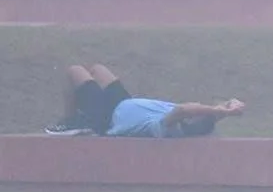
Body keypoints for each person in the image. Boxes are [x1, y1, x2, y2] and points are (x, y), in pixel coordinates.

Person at [43, 64, 246, 138]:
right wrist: (231, 105)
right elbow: (211, 113)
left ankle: (72, 121)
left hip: (106, 118)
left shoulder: (169, 127)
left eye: (199, 113)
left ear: (191, 120)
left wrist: (220, 111)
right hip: (123, 102)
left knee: (74, 71)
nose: (199, 108)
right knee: (97, 69)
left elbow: (185, 109)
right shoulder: (193, 122)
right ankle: (79, 116)